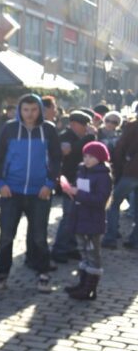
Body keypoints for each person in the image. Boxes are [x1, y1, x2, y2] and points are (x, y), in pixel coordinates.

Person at [0, 93, 62, 291]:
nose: (29, 114)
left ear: (40, 110)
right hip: (11, 191)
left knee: (39, 237)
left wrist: (49, 184)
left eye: (33, 110)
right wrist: (0, 183)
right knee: (6, 235)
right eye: (25, 110)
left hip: (40, 192)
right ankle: (1, 274)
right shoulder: (9, 129)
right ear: (20, 110)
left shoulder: (48, 130)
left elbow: (56, 159)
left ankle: (43, 273)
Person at [62, 142, 113, 300]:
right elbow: (81, 191)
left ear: (100, 158)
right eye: (85, 155)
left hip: (93, 220)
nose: (87, 159)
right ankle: (83, 284)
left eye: (91, 156)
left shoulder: (103, 176)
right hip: (80, 217)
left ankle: (89, 289)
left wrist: (78, 193)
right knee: (83, 252)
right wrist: (71, 190)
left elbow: (100, 199)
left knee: (92, 254)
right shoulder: (82, 171)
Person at [52, 111, 96, 264]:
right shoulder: (65, 136)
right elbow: (71, 151)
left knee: (76, 216)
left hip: (80, 181)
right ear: (73, 124)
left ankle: (70, 247)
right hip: (69, 181)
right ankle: (59, 249)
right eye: (83, 125)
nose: (86, 128)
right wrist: (88, 138)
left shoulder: (80, 137)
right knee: (69, 216)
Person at [103, 116, 138, 249]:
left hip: (131, 171)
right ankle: (135, 239)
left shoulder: (133, 126)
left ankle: (110, 237)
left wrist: (117, 170)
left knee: (113, 203)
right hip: (132, 169)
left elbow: (120, 148)